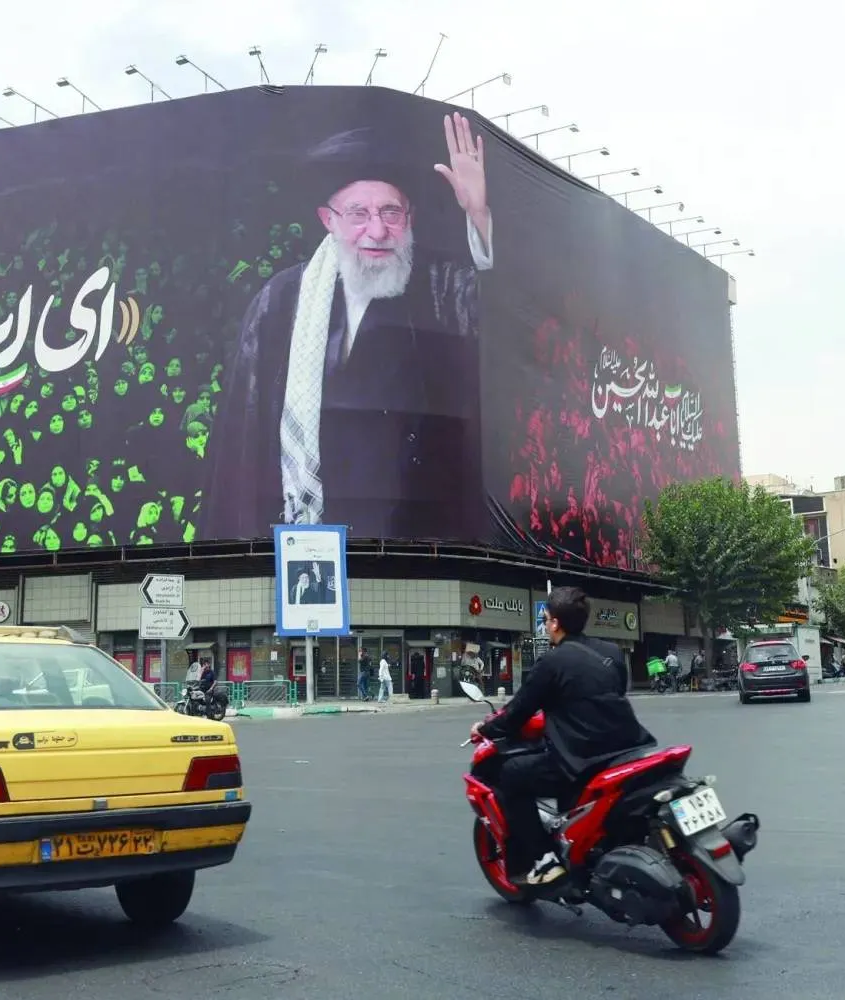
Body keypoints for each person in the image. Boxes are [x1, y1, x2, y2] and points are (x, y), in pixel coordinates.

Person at [203, 113, 493, 541]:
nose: (377, 231)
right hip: (306, 532)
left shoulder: (439, 287)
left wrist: (479, 214)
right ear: (329, 219)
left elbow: (502, 316)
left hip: (413, 534)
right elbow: (245, 435)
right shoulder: (282, 299)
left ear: (409, 217)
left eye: (390, 212)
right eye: (358, 213)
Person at [469, 586, 654, 887]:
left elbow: (518, 711)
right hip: (629, 748)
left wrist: (485, 728)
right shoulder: (612, 653)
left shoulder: (551, 663)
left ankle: (544, 860)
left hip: (582, 757)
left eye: (545, 618)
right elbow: (611, 694)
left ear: (554, 623)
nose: (544, 623)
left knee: (510, 775)